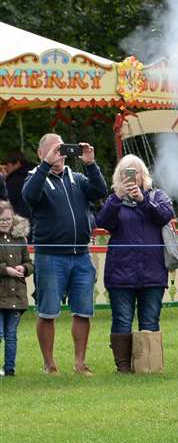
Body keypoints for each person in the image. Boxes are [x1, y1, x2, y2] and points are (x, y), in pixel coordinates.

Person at [22, 134, 109, 375]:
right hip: (50, 256)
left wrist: (91, 163)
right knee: (47, 311)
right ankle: (49, 365)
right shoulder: (34, 179)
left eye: (61, 149)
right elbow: (29, 197)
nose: (58, 154)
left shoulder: (78, 178)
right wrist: (46, 166)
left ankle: (80, 363)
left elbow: (100, 191)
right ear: (41, 154)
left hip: (81, 254)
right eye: (52, 150)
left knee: (83, 310)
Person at [96, 155, 177, 373]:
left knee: (150, 318)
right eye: (126, 173)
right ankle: (123, 367)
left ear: (144, 175)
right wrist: (118, 197)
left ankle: (147, 366)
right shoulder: (114, 200)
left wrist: (142, 200)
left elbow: (166, 215)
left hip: (152, 271)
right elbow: (102, 222)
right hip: (121, 271)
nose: (132, 177)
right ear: (119, 177)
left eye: (136, 172)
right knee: (122, 319)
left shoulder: (157, 196)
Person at [0, 203, 32, 375]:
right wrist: (6, 270)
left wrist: (24, 268)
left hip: (16, 296)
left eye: (8, 219)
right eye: (1, 219)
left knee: (11, 335)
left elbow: (29, 262)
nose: (5, 222)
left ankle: (9, 369)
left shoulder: (19, 239)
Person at [0, 153, 31, 219]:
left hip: (20, 219)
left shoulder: (15, 180)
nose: (6, 167)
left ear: (17, 163)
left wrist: (5, 180)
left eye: (7, 164)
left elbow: (6, 201)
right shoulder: (33, 175)